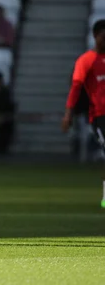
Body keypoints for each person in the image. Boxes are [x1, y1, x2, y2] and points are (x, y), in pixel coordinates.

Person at [62, 19, 105, 208]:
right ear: (95, 36)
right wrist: (68, 114)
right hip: (99, 116)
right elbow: (76, 88)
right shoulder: (86, 61)